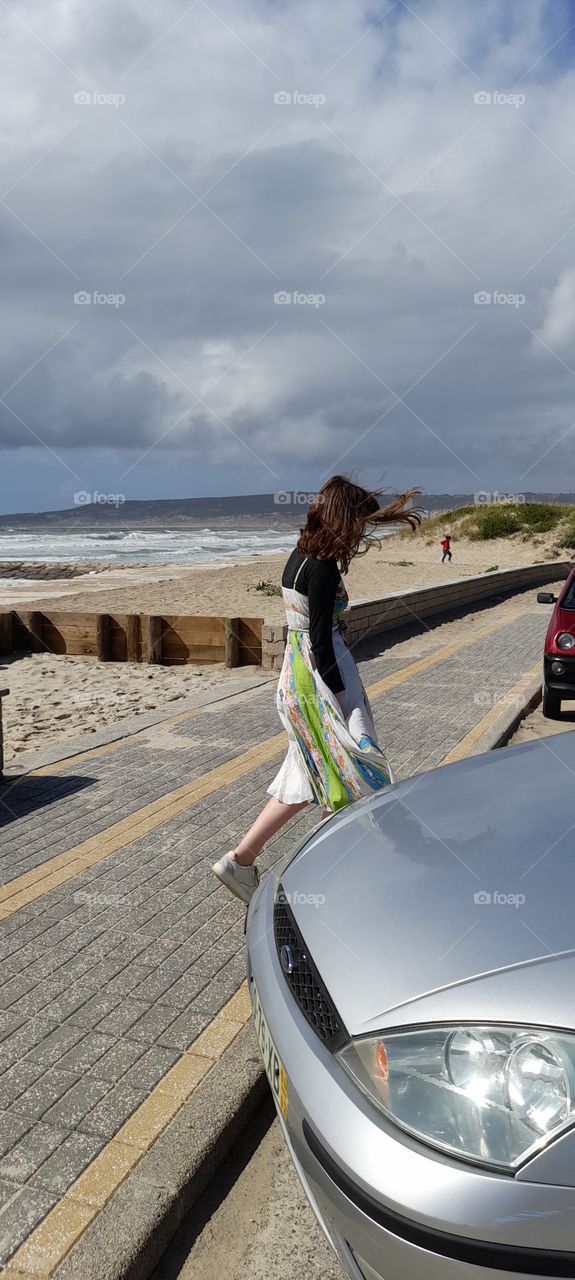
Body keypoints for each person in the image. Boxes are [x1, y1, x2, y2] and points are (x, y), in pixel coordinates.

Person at [212, 475, 421, 902]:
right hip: (318, 678)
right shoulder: (322, 568)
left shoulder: (299, 555)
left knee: (312, 772)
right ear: (345, 519)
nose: (362, 531)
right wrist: (343, 699)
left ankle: (242, 860)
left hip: (295, 674)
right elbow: (322, 641)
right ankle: (331, 875)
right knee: (349, 768)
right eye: (359, 522)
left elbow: (307, 631)